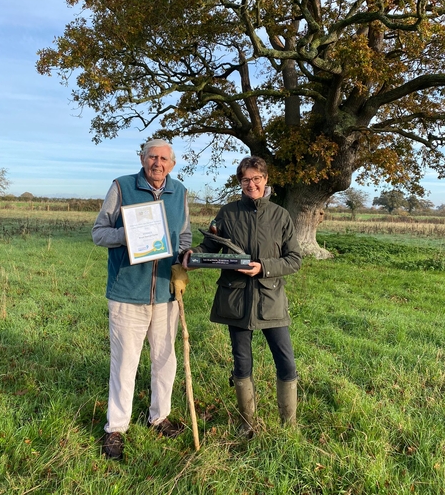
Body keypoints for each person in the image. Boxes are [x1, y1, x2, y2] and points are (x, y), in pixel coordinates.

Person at [182, 156, 302, 437]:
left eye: (257, 178)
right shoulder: (227, 213)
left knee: (286, 361)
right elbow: (210, 245)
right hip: (235, 300)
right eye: (246, 179)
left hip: (271, 301)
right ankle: (246, 424)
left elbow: (294, 259)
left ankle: (289, 425)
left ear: (266, 180)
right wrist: (192, 255)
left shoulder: (280, 215)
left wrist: (264, 268)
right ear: (240, 183)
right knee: (241, 362)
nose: (252, 184)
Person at [92, 139, 191, 459]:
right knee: (125, 364)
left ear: (172, 164)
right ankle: (116, 428)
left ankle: (159, 417)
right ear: (142, 159)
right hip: (127, 294)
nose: (157, 163)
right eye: (152, 157)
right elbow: (99, 233)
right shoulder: (121, 187)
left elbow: (185, 236)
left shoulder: (180, 193)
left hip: (165, 294)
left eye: (164, 158)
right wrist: (130, 235)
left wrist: (182, 262)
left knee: (165, 360)